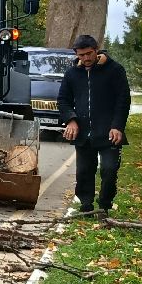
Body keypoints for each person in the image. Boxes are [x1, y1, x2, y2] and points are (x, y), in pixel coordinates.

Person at [57, 34, 130, 215]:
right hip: (83, 133)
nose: (86, 58)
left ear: (96, 50)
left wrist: (117, 126)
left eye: (89, 53)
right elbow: (63, 100)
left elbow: (123, 100)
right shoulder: (72, 73)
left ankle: (104, 205)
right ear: (76, 55)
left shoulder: (115, 70)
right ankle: (86, 205)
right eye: (81, 55)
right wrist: (71, 120)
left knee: (109, 169)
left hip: (109, 131)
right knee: (84, 171)